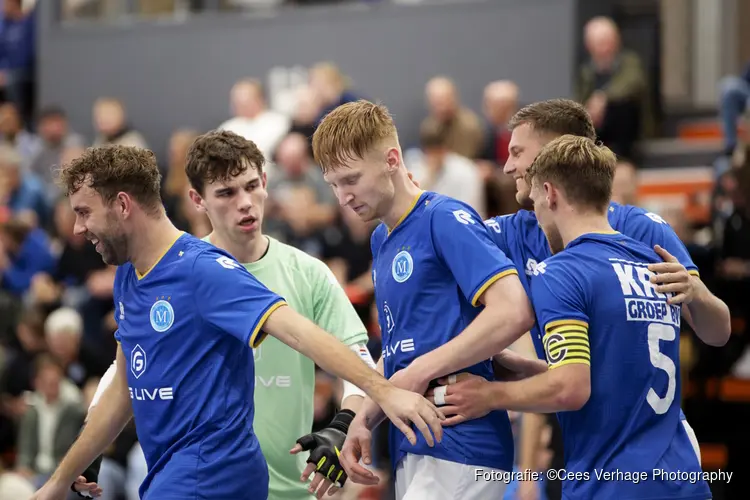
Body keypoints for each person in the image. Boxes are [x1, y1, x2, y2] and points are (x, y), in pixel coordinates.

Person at [31, 145, 444, 500]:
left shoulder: (206, 270)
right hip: (179, 471)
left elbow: (299, 332)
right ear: (198, 200)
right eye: (226, 192)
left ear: (123, 205)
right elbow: (124, 383)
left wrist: (373, 400)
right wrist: (62, 477)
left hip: (213, 473)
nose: (76, 227)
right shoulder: (129, 274)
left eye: (84, 212)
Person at [437, 98, 731, 499]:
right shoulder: (518, 232)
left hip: (617, 460)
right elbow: (598, 369)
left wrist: (485, 396)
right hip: (644, 457)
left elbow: (716, 332)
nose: (508, 166)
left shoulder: (637, 234)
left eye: (518, 152)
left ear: (554, 158)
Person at [312, 100, 537, 499]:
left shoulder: (443, 217)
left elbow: (513, 309)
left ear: (392, 160)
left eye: (350, 179)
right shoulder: (382, 238)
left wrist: (418, 371)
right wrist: (361, 419)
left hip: (461, 441)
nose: (342, 197)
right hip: (413, 441)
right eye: (333, 184)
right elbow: (401, 349)